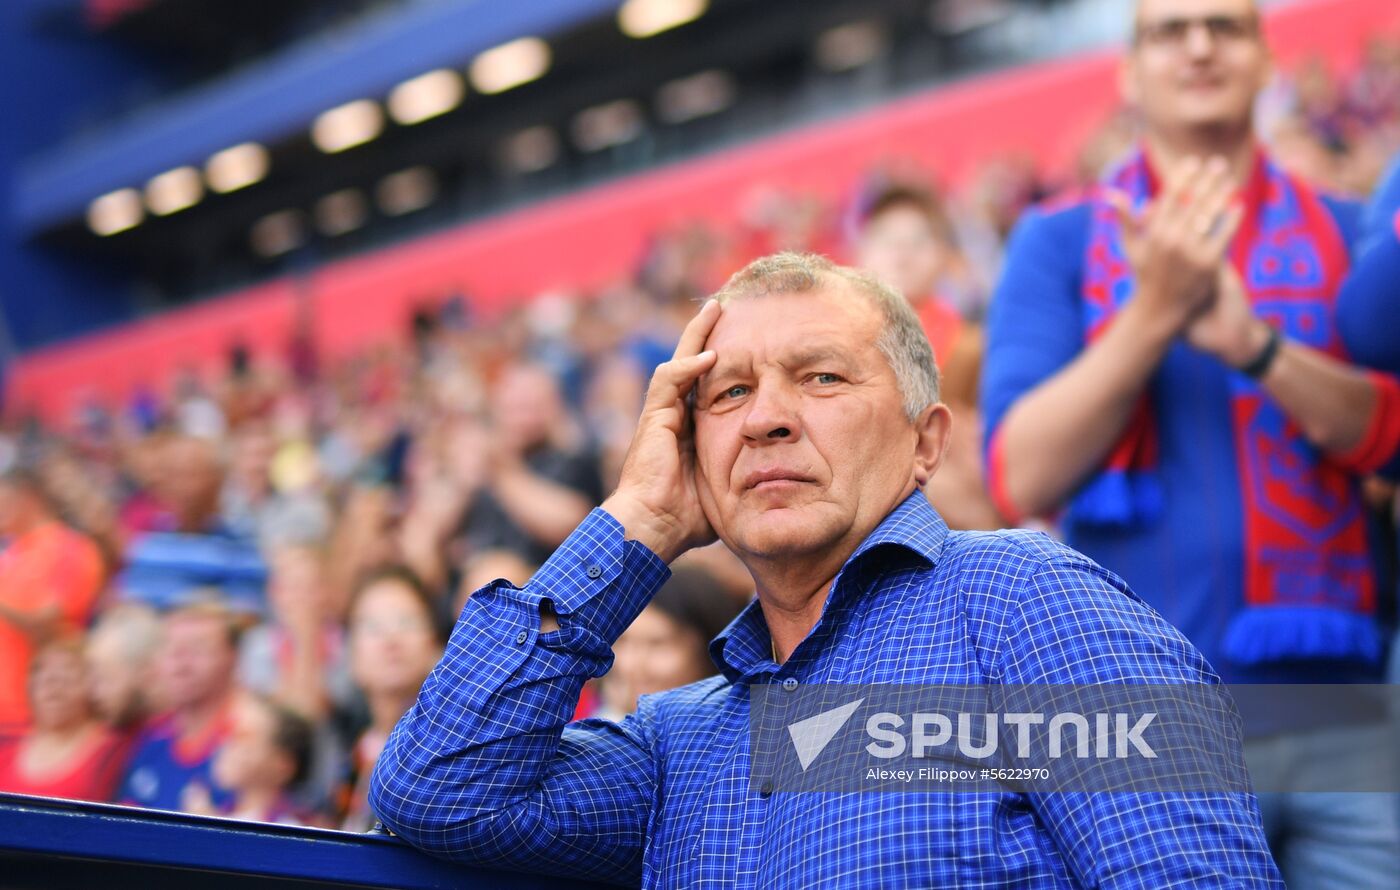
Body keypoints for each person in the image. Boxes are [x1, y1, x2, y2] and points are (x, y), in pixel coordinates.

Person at [370, 252, 1280, 886]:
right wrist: (637, 523)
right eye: (728, 394)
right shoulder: (676, 745)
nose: (766, 419)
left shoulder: (1029, 604)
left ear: (925, 443)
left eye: (822, 379)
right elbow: (438, 789)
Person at [980, 1, 1400, 886]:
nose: (1201, 45)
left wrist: (1257, 349)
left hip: (1346, 709)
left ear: (1262, 63)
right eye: (1170, 30)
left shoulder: (1348, 228)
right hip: (1146, 721)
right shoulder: (1059, 241)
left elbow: (1390, 437)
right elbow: (1020, 474)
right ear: (1129, 73)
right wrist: (1154, 315)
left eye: (1226, 26)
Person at [854, 181, 1004, 530]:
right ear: (861, 254)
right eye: (888, 240)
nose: (902, 255)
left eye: (918, 242)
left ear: (945, 258)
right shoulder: (840, 351)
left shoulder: (973, 347)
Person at [338, 566, 444, 832]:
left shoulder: (452, 749)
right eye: (373, 627)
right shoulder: (344, 754)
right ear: (351, 656)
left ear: (435, 646)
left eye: (406, 622)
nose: (391, 639)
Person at [0, 469, 106, 729]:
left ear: (27, 497)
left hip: (31, 712)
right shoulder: (12, 551)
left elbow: (51, 626)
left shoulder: (68, 548)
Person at [117, 598, 241, 812]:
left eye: (198, 650)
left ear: (231, 658)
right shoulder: (150, 736)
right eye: (172, 649)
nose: (181, 664)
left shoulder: (248, 738)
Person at [597, 566, 742, 721]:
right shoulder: (595, 730)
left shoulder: (750, 727)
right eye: (622, 641)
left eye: (658, 644)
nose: (632, 665)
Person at [0, 639, 130, 802]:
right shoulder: (5, 746)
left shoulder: (115, 751)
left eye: (68, 671)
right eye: (41, 671)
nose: (52, 683)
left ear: (94, 684)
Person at [184, 690, 313, 826]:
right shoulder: (218, 811)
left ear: (283, 765)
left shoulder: (292, 828)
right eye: (228, 732)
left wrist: (208, 833)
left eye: (244, 737)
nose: (227, 743)